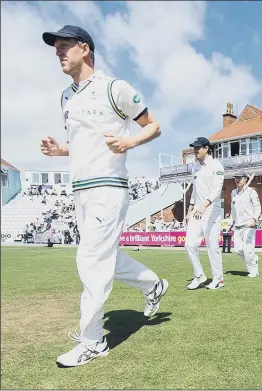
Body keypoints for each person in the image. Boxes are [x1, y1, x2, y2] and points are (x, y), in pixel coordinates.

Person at [40, 25, 168, 367]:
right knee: (104, 258)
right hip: (80, 190)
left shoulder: (115, 88)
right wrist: (60, 151)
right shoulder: (66, 97)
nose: (58, 52)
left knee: (91, 261)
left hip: (109, 187)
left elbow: (154, 126)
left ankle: (93, 341)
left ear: (85, 49)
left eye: (64, 45)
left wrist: (129, 142)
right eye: (56, 48)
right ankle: (153, 285)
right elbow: (84, 144)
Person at [185, 137, 225, 290]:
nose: (195, 151)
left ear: (207, 148)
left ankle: (219, 279)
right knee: (189, 244)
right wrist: (190, 210)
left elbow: (217, 189)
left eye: (198, 148)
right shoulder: (195, 167)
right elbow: (194, 191)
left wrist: (205, 205)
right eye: (194, 148)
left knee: (212, 246)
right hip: (197, 211)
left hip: (212, 211)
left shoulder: (217, 166)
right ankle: (199, 275)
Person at [229, 171, 261, 277]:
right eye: (236, 178)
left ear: (245, 179)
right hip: (237, 227)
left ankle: (254, 272)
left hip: (249, 226)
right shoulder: (233, 192)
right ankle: (254, 259)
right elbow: (233, 209)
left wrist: (254, 219)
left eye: (239, 178)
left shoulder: (252, 192)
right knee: (237, 250)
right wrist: (230, 223)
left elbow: (257, 207)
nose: (237, 180)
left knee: (248, 250)